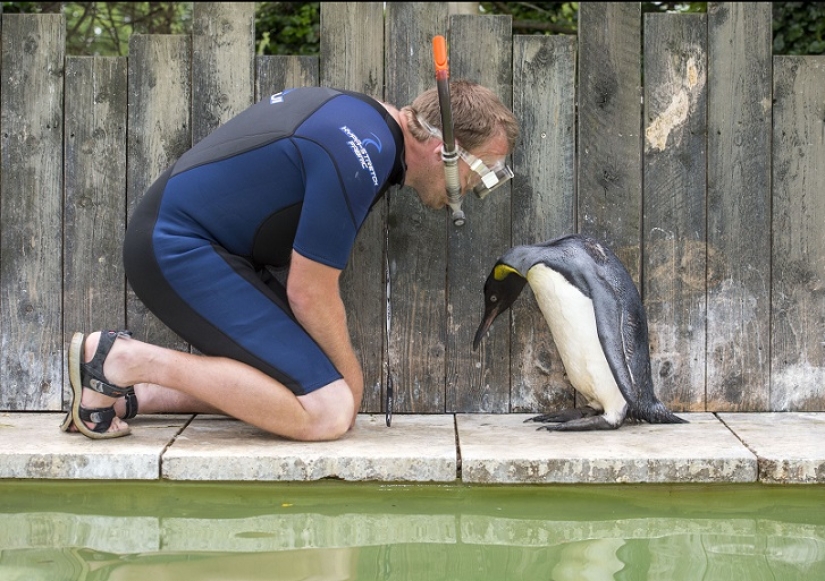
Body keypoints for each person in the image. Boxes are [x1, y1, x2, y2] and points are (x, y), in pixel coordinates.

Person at [61, 80, 519, 441]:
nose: (475, 191)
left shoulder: (367, 125)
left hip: (204, 251)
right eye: (481, 172)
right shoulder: (364, 152)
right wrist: (352, 379)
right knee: (329, 410)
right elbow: (308, 290)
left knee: (292, 386)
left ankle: (123, 395)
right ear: (446, 152)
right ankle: (120, 358)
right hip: (175, 248)